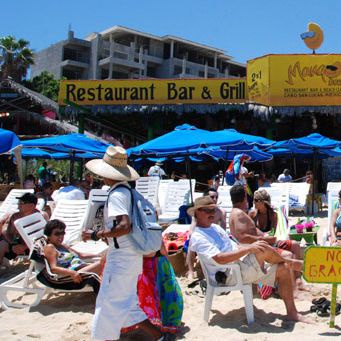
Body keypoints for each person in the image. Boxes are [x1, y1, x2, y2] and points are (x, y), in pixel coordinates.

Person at [81, 146, 168, 341]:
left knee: (107, 307)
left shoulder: (117, 194)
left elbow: (124, 226)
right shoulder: (128, 191)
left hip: (121, 259)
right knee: (127, 303)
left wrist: (96, 234)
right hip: (131, 257)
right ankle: (159, 336)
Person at [188, 196, 312, 323]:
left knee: (283, 268)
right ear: (197, 212)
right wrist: (248, 249)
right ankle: (291, 263)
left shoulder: (215, 228)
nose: (212, 214)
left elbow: (235, 246)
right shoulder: (198, 236)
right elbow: (219, 259)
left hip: (239, 265)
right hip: (228, 274)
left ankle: (292, 313)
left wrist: (248, 248)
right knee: (262, 248)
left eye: (214, 210)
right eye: (208, 211)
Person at [230, 185, 306, 293]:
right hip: (262, 244)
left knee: (295, 245)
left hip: (267, 241)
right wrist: (263, 238)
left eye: (256, 200)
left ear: (262, 202)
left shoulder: (272, 214)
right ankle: (289, 288)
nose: (253, 202)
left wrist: (265, 237)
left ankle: (298, 279)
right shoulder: (250, 214)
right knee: (288, 255)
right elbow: (243, 237)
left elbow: (272, 231)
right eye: (253, 199)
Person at [42, 219, 104, 291]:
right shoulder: (50, 247)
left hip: (83, 270)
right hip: (74, 276)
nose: (61, 236)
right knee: (105, 260)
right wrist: (71, 272)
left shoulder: (62, 246)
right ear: (49, 235)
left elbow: (81, 255)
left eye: (62, 233)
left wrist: (99, 256)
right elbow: (53, 268)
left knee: (107, 263)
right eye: (57, 234)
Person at [187, 189, 227, 280]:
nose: (215, 198)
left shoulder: (221, 212)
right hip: (202, 236)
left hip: (215, 236)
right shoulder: (198, 214)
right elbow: (192, 229)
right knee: (191, 242)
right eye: (212, 197)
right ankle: (190, 270)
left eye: (216, 197)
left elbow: (223, 230)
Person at [0, 193, 50, 262]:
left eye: (22, 203)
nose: (19, 204)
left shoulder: (41, 216)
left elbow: (44, 235)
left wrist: (24, 246)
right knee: (2, 244)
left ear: (32, 205)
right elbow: (9, 233)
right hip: (18, 244)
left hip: (35, 246)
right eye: (19, 202)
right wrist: (15, 245)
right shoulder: (15, 216)